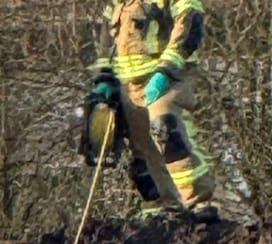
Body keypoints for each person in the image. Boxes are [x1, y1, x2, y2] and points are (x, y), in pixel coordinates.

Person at [91, 0, 214, 218]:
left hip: (170, 78)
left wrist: (167, 70)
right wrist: (105, 76)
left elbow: (190, 21)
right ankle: (161, 205)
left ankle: (199, 201)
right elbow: (107, 37)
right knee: (140, 144)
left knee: (165, 125)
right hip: (130, 84)